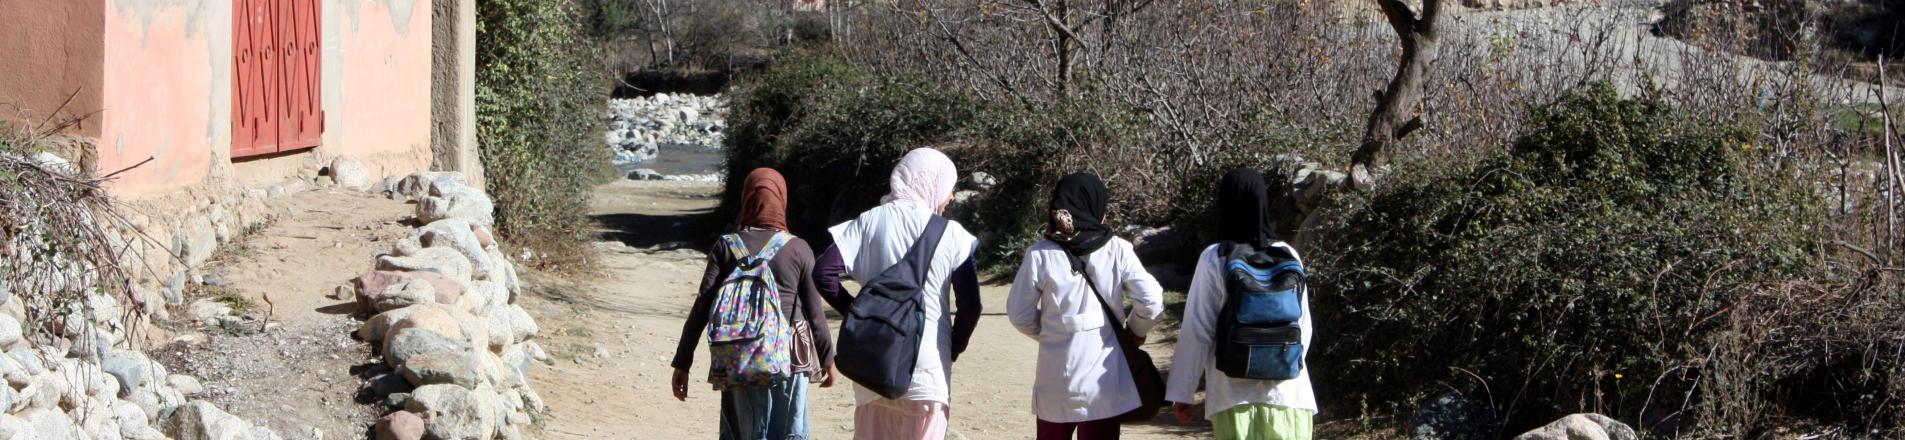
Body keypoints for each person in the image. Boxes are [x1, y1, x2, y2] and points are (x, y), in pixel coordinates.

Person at [814, 148, 983, 440]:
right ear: (932, 183)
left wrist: (858, 313)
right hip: (928, 367)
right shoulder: (953, 234)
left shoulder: (868, 221)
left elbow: (823, 273)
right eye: (949, 187)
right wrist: (952, 348)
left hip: (873, 365)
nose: (951, 196)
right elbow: (971, 306)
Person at [671, 168, 836, 440]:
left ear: (746, 197)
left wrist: (683, 362)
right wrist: (828, 361)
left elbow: (702, 306)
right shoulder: (798, 248)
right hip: (789, 359)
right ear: (782, 199)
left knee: (741, 432)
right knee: (787, 432)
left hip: (738, 354)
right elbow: (815, 314)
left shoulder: (726, 246)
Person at [1006, 173, 1166, 440]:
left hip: (1055, 380)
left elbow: (1019, 315)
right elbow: (1151, 301)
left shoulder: (1040, 253)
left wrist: (1050, 333)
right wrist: (1135, 331)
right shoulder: (1117, 249)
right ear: (1096, 207)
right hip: (1103, 381)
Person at [1164, 169, 1317, 440]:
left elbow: (1197, 331)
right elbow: (1303, 328)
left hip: (1231, 394)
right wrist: (1281, 362)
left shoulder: (1216, 257)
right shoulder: (1287, 254)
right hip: (1289, 394)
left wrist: (1182, 393)